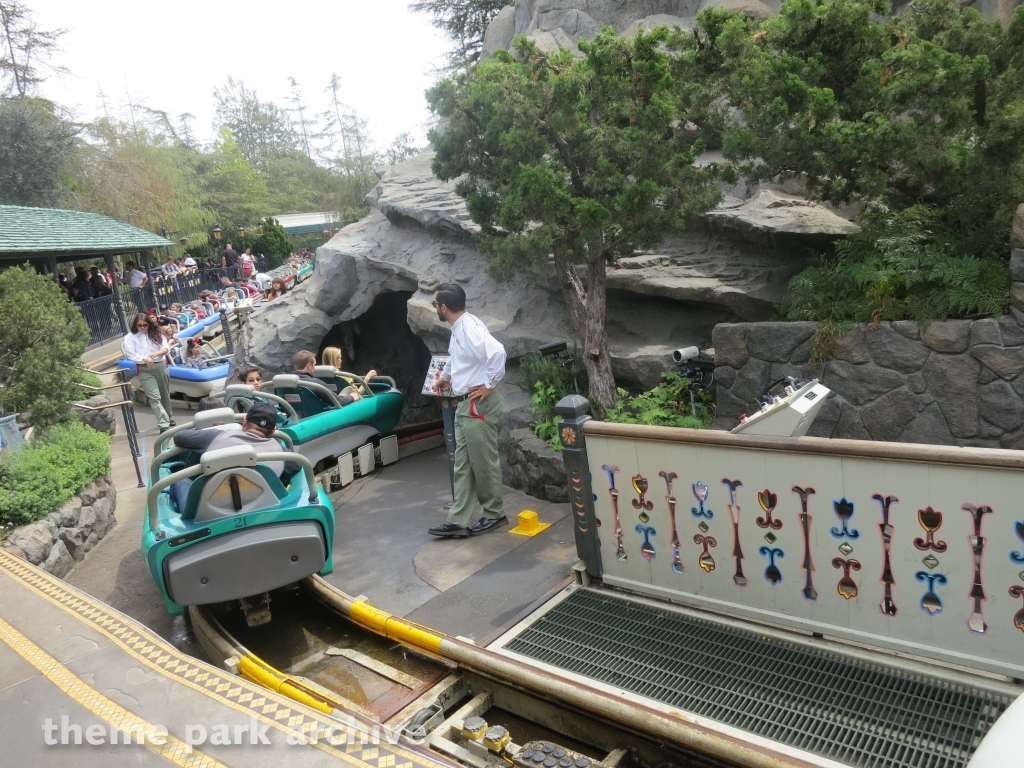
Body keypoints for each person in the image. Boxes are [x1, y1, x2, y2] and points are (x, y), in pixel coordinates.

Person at [428, 283, 507, 539]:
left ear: (444, 307)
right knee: (463, 463)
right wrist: (446, 377)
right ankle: (459, 519)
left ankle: (495, 513)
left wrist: (489, 384)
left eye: (435, 305)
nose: (435, 309)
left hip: (477, 403)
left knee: (483, 461)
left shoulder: (469, 327)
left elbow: (497, 352)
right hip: (466, 403)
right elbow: (458, 357)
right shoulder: (461, 326)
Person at [169, 403, 300, 512]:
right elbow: (297, 464)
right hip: (260, 506)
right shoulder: (280, 453)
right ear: (273, 430)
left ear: (244, 421)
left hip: (210, 510)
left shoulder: (217, 437)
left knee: (179, 479)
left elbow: (179, 437)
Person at [123, 313, 175, 433]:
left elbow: (165, 348)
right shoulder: (130, 337)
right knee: (154, 396)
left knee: (164, 394)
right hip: (144, 368)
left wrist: (156, 354)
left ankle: (168, 416)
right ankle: (163, 423)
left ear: (149, 324)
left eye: (145, 325)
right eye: (139, 325)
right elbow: (131, 354)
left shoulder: (157, 333)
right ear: (135, 325)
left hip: (160, 366)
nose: (142, 327)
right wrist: (143, 358)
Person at [293, 350, 361, 405]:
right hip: (321, 415)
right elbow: (338, 401)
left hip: (299, 416)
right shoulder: (316, 384)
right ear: (309, 365)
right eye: (314, 365)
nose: (314, 369)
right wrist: (351, 397)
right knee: (350, 389)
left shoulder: (287, 385)